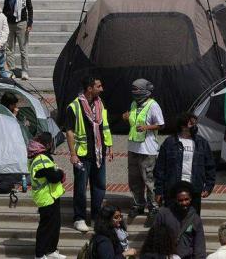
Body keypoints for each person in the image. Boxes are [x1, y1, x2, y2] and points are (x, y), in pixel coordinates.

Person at [64, 77, 113, 233]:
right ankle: (79, 218)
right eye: (99, 86)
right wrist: (72, 154)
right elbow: (69, 131)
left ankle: (97, 216)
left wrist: (109, 145)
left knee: (99, 186)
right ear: (89, 89)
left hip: (98, 152)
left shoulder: (99, 103)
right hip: (82, 154)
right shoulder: (74, 106)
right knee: (80, 187)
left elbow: (104, 126)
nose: (102, 89)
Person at [154, 112, 215, 216]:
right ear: (183, 126)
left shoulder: (201, 143)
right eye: (191, 124)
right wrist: (158, 191)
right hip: (173, 188)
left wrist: (208, 186)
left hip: (194, 188)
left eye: (195, 124)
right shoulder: (169, 143)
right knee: (172, 220)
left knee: (192, 222)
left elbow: (210, 166)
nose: (195, 126)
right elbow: (160, 168)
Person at [122, 79, 165, 220]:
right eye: (132, 89)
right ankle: (138, 204)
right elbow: (133, 121)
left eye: (136, 89)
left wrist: (147, 127)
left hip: (147, 149)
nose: (134, 92)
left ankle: (153, 206)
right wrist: (126, 118)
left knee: (149, 179)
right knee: (134, 179)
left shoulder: (153, 106)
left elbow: (161, 125)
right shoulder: (134, 104)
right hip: (133, 147)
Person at [28, 132, 66, 259]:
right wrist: (61, 173)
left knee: (55, 225)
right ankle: (39, 254)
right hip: (46, 198)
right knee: (46, 227)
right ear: (48, 144)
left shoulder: (41, 156)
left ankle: (51, 250)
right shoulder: (41, 158)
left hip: (52, 196)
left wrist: (57, 173)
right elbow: (54, 177)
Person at [152, 181, 205, 259]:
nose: (184, 203)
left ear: (190, 199)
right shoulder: (163, 215)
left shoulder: (195, 219)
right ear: (175, 200)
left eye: (186, 199)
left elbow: (199, 247)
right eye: (180, 200)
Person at [3, 0, 33, 80]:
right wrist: (3, 20)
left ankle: (25, 71)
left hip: (22, 23)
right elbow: (6, 6)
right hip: (9, 23)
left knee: (23, 48)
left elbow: (29, 7)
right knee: (9, 48)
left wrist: (30, 23)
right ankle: (12, 70)